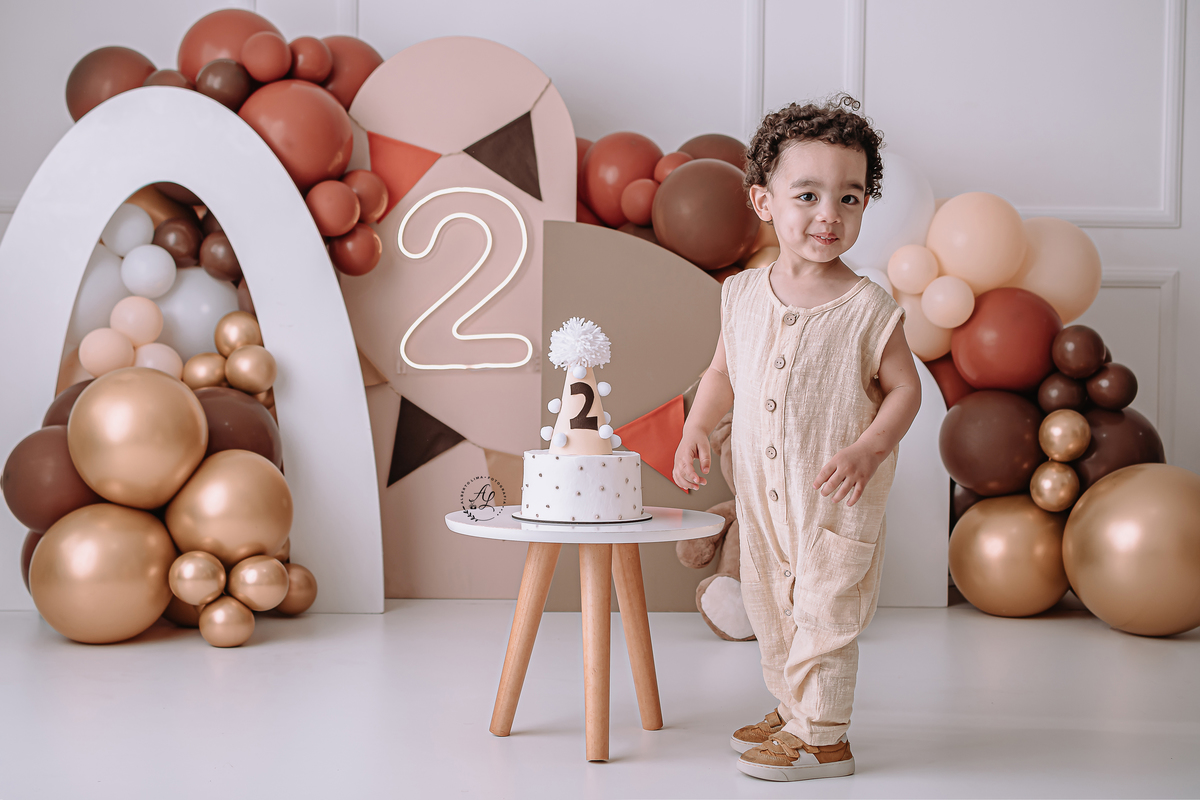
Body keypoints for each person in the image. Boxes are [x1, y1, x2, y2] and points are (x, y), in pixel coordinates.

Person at [672, 95, 922, 782]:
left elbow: (906, 390)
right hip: (763, 499)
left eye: (849, 198)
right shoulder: (742, 295)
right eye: (807, 195)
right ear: (764, 201)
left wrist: (869, 449)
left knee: (825, 611)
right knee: (772, 606)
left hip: (833, 502)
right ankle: (793, 711)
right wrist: (697, 426)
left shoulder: (868, 309)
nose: (828, 214)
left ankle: (824, 738)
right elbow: (721, 373)